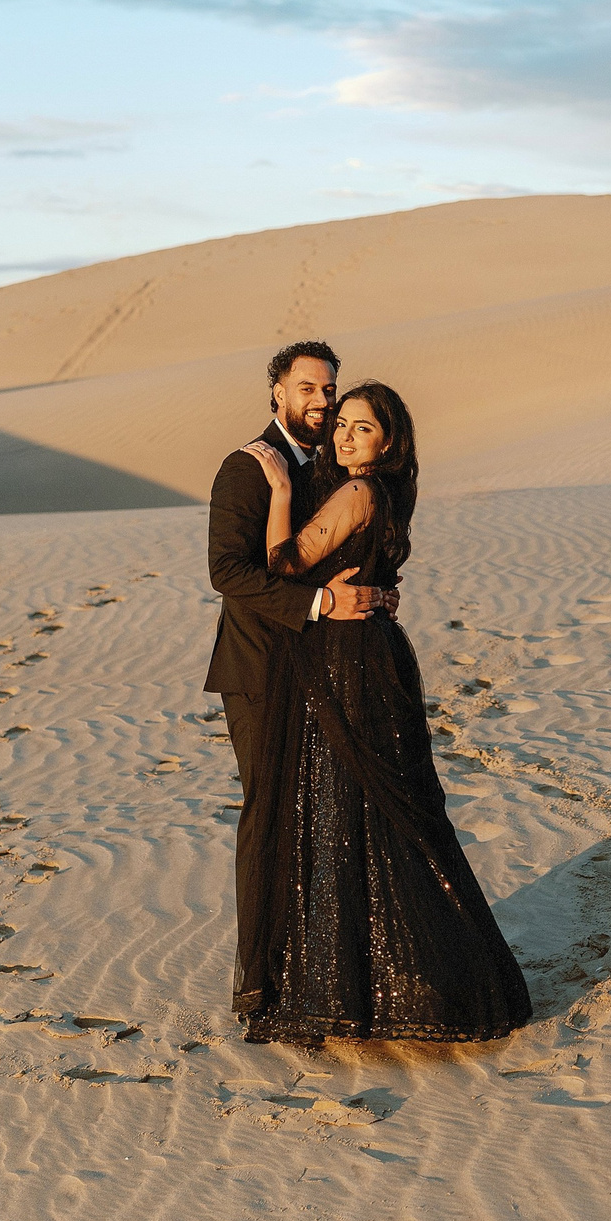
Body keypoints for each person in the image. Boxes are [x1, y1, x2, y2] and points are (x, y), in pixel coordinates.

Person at [232, 380, 533, 1044]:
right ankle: (389, 978)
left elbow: (283, 564)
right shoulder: (384, 494)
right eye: (340, 424)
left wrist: (280, 492)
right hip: (366, 651)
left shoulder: (360, 492)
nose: (343, 435)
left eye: (361, 428)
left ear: (389, 441)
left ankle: (366, 988)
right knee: (372, 813)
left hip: (345, 661)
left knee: (345, 809)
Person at [204, 342, 394, 1013]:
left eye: (329, 390)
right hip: (259, 670)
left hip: (322, 671)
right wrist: (320, 604)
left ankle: (317, 964)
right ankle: (257, 982)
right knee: (267, 819)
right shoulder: (247, 466)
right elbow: (228, 572)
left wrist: (373, 593)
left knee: (320, 817)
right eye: (307, 388)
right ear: (277, 392)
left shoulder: (330, 464)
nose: (321, 402)